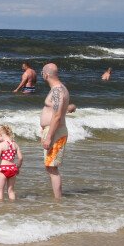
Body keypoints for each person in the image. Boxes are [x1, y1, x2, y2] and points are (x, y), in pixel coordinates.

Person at [40, 63, 70, 199]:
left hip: (55, 133)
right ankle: (58, 199)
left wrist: (49, 136)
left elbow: (57, 115)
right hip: (54, 131)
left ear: (46, 75)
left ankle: (58, 201)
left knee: (52, 168)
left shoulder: (57, 90)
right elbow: (61, 109)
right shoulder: (60, 88)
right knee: (50, 167)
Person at [0, 124, 23, 201]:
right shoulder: (15, 144)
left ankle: (0, 209)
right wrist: (18, 168)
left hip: (4, 169)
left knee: (0, 190)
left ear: (0, 134)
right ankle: (12, 206)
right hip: (13, 169)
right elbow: (20, 158)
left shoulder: (1, 145)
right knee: (11, 191)